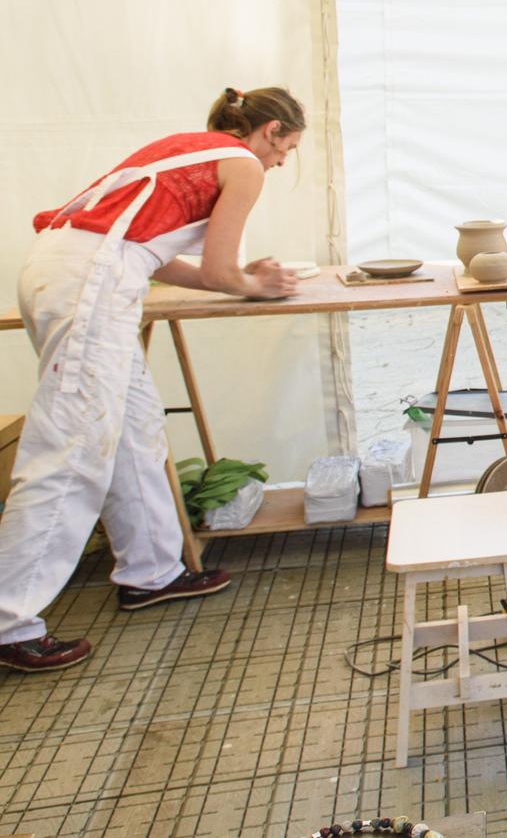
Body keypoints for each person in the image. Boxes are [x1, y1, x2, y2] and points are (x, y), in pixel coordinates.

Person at [0, 87, 307, 674]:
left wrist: (241, 279)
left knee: (135, 427)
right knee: (71, 448)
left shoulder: (185, 148)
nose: (280, 163)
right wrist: (254, 282)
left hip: (69, 268)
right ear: (269, 131)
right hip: (91, 282)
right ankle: (9, 620)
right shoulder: (242, 163)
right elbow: (220, 269)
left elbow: (153, 254)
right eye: (286, 149)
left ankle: (153, 571)